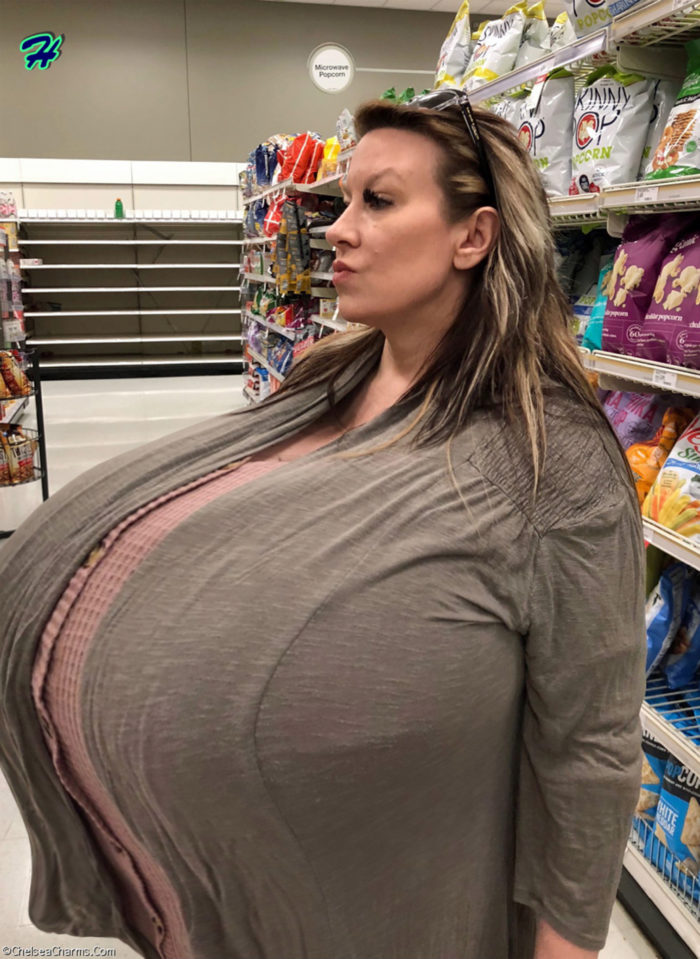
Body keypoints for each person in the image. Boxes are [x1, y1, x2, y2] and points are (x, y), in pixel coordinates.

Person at [0, 91, 645, 959]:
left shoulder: (550, 461)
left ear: (474, 236)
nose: (336, 229)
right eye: (343, 200)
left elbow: (590, 746)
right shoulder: (327, 374)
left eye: (378, 201)